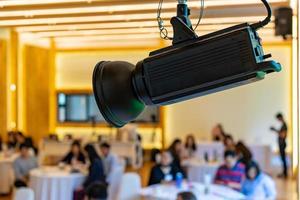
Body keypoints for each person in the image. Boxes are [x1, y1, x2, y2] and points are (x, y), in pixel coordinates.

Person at [270, 112, 288, 178]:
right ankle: (284, 173)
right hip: (281, 144)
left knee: (283, 159)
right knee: (282, 159)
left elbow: (283, 135)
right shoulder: (283, 125)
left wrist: (275, 130)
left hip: (282, 144)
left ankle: (285, 174)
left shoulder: (284, 125)